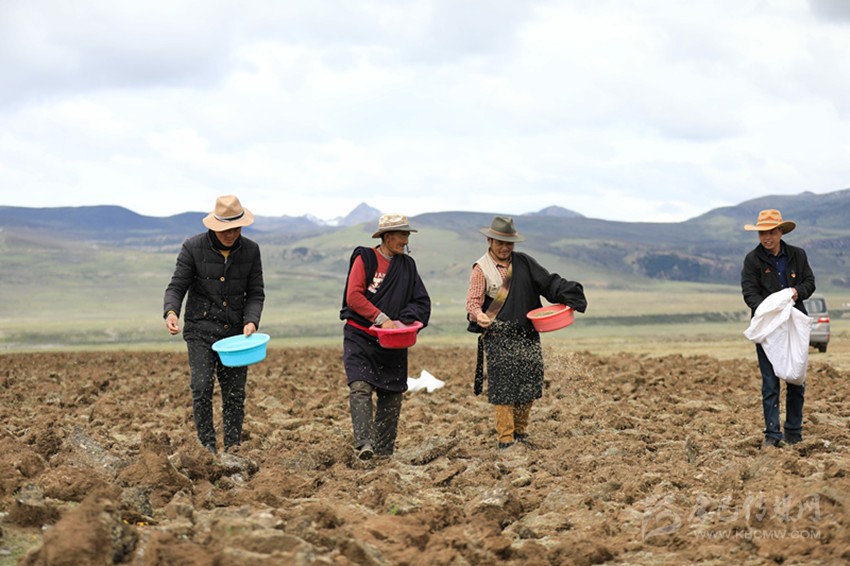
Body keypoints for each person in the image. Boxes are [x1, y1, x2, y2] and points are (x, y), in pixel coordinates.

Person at [466, 216, 587, 451]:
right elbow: (472, 302)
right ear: (490, 241)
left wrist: (571, 294)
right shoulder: (481, 269)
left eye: (508, 243)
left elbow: (549, 283)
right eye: (500, 243)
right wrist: (478, 315)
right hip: (498, 337)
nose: (505, 248)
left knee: (528, 384)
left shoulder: (524, 262)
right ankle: (506, 440)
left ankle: (520, 434)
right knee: (504, 388)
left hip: (527, 334)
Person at [163, 195, 265, 455]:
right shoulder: (192, 247)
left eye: (236, 229)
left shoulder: (251, 250)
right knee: (202, 387)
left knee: (234, 393)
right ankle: (207, 448)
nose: (231, 234)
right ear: (215, 226)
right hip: (200, 330)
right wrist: (171, 312)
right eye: (226, 229)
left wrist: (251, 321)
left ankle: (233, 448)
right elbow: (177, 286)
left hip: (235, 335)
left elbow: (255, 293)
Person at [340, 213, 431, 460]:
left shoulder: (408, 266)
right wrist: (382, 319)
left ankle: (383, 453)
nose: (406, 240)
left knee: (392, 394)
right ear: (387, 236)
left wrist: (402, 323)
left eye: (407, 235)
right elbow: (354, 297)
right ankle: (364, 444)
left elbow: (421, 302)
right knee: (360, 386)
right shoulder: (365, 258)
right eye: (402, 235)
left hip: (392, 341)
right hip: (361, 336)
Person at [741, 209, 815, 449]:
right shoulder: (753, 260)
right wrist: (770, 310)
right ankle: (772, 435)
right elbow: (749, 292)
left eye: (771, 232)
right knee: (770, 382)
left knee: (796, 378)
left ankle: (793, 433)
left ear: (781, 232)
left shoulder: (797, 255)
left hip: (794, 324)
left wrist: (796, 292)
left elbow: (809, 283)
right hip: (767, 327)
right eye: (762, 233)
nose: (767, 237)